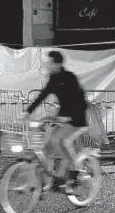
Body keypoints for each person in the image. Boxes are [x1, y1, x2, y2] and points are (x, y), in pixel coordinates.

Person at [23, 50, 88, 194]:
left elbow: (80, 101)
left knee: (62, 141)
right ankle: (45, 182)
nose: (46, 65)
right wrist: (28, 112)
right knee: (46, 147)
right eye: (45, 63)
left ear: (57, 64)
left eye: (48, 63)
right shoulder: (53, 78)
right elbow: (42, 95)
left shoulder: (70, 78)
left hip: (77, 118)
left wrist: (70, 116)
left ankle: (76, 173)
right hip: (61, 117)